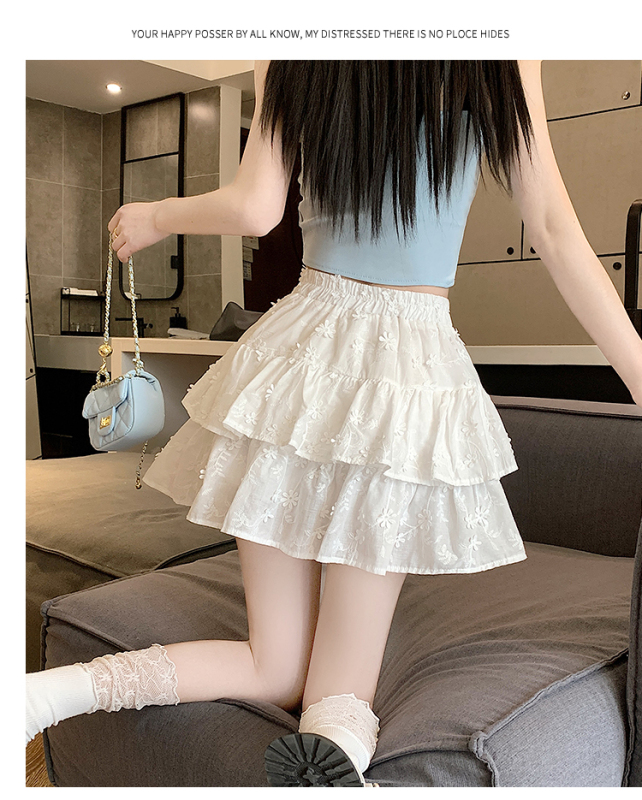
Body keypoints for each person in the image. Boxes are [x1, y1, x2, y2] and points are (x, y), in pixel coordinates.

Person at [26, 60, 642, 788]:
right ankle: (335, 754)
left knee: (273, 666)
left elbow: (255, 210)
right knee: (340, 692)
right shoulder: (499, 44)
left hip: (298, 355)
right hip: (404, 373)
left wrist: (155, 216)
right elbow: (553, 230)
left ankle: (41, 696)